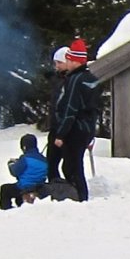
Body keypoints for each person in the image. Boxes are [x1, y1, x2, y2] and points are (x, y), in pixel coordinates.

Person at [51, 37, 100, 202]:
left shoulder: (75, 79)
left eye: (69, 59)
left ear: (75, 61)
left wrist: (60, 134)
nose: (68, 62)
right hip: (88, 128)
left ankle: (79, 197)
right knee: (75, 164)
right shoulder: (92, 78)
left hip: (75, 129)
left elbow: (70, 108)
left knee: (72, 166)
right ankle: (79, 196)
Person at [0, 133, 50, 209]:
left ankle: (6, 208)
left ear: (24, 147)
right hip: (38, 187)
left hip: (24, 187)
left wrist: (11, 164)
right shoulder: (44, 160)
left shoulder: (24, 159)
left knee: (5, 189)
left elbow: (14, 172)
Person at [45, 46, 71, 183]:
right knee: (51, 162)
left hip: (67, 129)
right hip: (55, 128)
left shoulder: (72, 80)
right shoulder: (58, 79)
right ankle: (55, 187)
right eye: (55, 63)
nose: (57, 66)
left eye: (59, 63)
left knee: (69, 165)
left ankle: (72, 190)